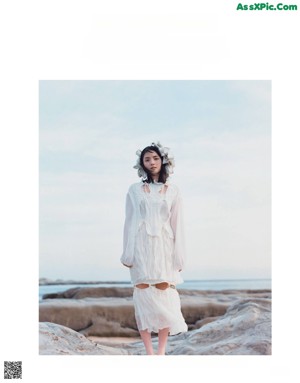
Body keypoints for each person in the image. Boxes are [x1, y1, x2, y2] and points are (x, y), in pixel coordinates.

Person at [121, 141, 188, 355]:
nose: (152, 162)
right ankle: (149, 352)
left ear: (163, 161)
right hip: (141, 245)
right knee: (142, 295)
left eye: (155, 158)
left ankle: (161, 352)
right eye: (147, 159)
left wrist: (179, 256)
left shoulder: (173, 191)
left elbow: (178, 224)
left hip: (164, 247)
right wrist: (127, 252)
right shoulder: (134, 190)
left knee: (164, 294)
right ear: (142, 164)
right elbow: (129, 222)